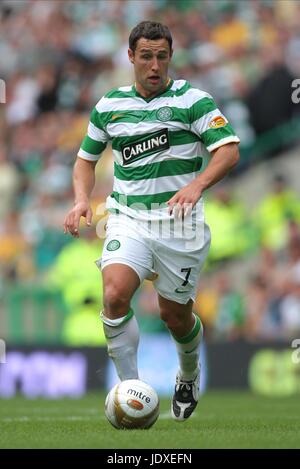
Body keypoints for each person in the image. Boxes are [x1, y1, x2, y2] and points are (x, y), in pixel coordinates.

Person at [63, 21, 240, 421]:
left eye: (161, 56)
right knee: (114, 295)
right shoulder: (109, 105)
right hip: (128, 217)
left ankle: (189, 373)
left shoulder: (193, 100)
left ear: (170, 57)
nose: (154, 65)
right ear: (131, 57)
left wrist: (197, 184)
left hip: (180, 224)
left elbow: (228, 150)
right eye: (146, 56)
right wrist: (79, 200)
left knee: (174, 316)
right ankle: (131, 391)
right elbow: (84, 161)